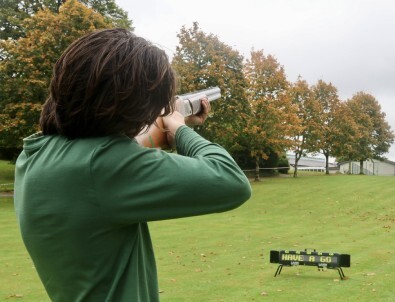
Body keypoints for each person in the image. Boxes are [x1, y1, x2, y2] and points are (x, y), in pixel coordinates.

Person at [14, 28, 251, 302]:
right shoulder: (103, 166)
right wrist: (181, 129)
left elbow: (118, 154)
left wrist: (166, 130)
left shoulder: (34, 155)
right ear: (126, 107)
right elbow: (231, 181)